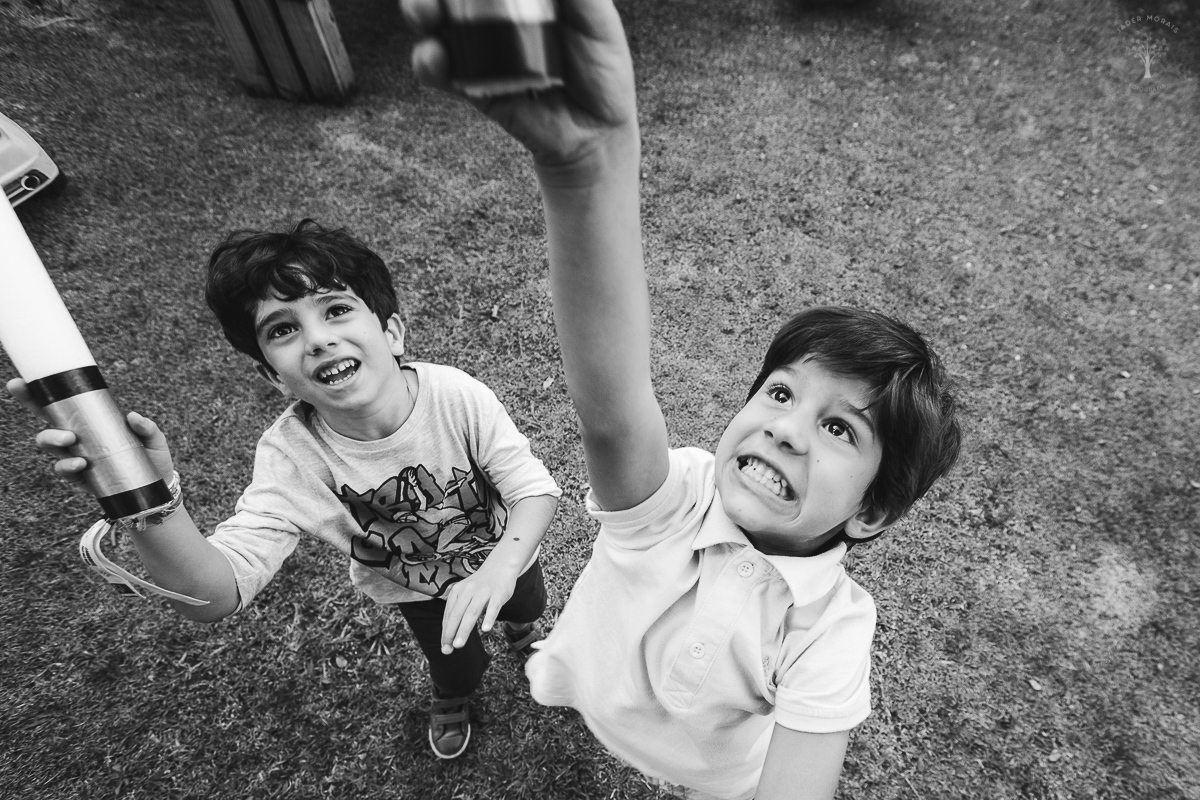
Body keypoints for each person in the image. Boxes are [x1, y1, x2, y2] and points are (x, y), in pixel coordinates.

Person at [402, 0, 961, 797]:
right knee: (583, 707)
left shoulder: (833, 632)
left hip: (720, 775)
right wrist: (585, 166)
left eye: (839, 427)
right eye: (779, 393)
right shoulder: (680, 497)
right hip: (594, 696)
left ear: (871, 513)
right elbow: (612, 409)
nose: (785, 429)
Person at [8, 219, 561, 760]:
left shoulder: (455, 396)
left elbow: (533, 490)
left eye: (337, 310)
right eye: (282, 329)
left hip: (506, 555)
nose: (318, 339)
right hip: (418, 592)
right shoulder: (291, 459)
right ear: (273, 375)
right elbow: (214, 595)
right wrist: (145, 498)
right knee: (452, 660)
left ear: (391, 333)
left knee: (524, 601)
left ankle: (522, 631)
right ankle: (453, 696)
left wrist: (500, 568)